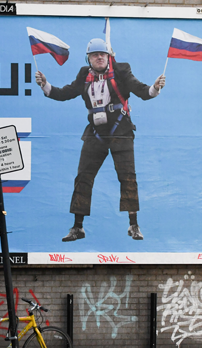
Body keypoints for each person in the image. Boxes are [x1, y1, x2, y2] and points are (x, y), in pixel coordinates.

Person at [35, 38, 165, 242]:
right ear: (88, 58)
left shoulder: (122, 70)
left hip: (121, 132)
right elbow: (64, 93)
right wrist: (45, 85)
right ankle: (77, 228)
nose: (99, 57)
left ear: (109, 56)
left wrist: (155, 88)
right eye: (95, 55)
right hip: (95, 133)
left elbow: (141, 90)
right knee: (83, 177)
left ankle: (134, 225)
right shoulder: (83, 75)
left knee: (127, 177)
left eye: (103, 54)